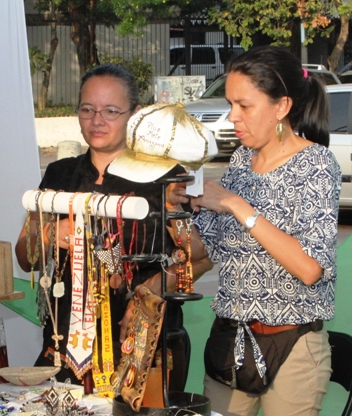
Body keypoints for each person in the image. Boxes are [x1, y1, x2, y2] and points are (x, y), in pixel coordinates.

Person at [190, 46, 339, 416]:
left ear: (282, 107)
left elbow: (310, 266)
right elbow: (211, 249)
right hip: (232, 340)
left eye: (244, 105)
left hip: (292, 344)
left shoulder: (316, 166)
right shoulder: (239, 164)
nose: (232, 117)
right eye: (230, 104)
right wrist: (178, 220)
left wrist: (235, 204)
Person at [15, 64, 209, 392]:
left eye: (111, 111)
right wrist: (52, 234)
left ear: (134, 115)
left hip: (143, 350)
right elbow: (25, 256)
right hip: (67, 347)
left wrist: (153, 288)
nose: (97, 120)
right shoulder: (60, 175)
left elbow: (199, 253)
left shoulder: (163, 178)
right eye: (87, 109)